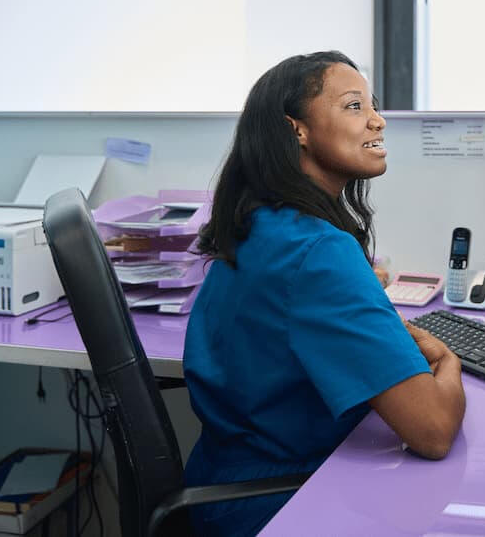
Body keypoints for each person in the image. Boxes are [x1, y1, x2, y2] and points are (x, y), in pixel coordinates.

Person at [183, 51, 466, 536]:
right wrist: (450, 362)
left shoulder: (259, 222)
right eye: (354, 106)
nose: (377, 119)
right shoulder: (318, 250)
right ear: (298, 130)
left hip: (221, 483)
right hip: (279, 505)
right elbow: (434, 430)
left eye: (372, 106)